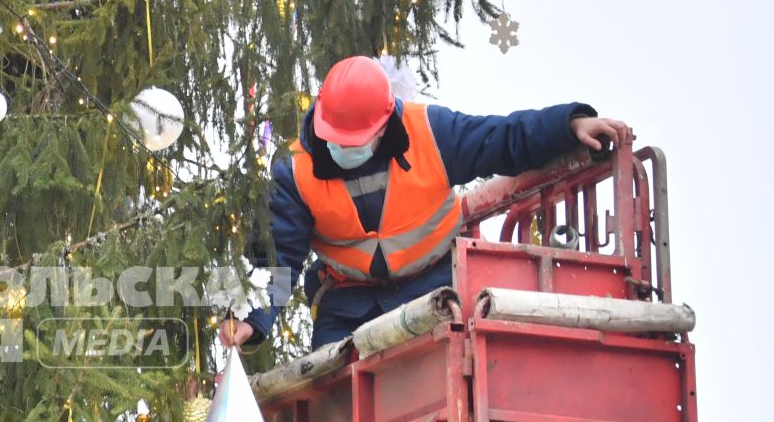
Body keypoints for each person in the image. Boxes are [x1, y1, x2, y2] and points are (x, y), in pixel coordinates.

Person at [228, 55, 633, 351]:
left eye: (352, 141)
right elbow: (275, 258)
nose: (340, 148)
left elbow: (504, 138)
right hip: (347, 304)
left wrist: (568, 125)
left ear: (385, 124)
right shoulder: (294, 170)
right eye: (333, 138)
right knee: (332, 397)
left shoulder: (431, 133)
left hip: (437, 290)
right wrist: (249, 318)